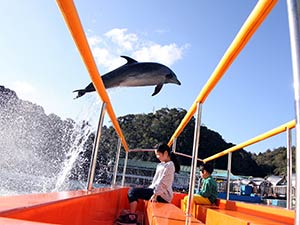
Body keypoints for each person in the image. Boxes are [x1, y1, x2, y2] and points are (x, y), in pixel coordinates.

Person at [116, 143, 180, 224]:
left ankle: (132, 218)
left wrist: (155, 195)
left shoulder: (170, 165)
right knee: (134, 190)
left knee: (133, 192)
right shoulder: (161, 164)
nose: (157, 157)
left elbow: (164, 183)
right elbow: (156, 182)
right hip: (157, 191)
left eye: (158, 155)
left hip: (162, 195)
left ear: (166, 153)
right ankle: (132, 216)